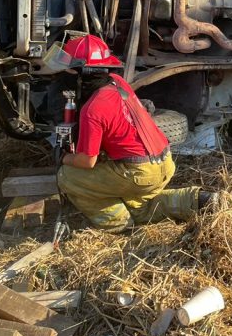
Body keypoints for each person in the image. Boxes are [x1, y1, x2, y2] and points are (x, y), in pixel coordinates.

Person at [52, 34, 215, 232]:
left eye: (69, 69)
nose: (65, 73)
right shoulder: (117, 82)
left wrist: (63, 158)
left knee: (67, 176)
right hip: (165, 163)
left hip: (140, 173)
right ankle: (198, 200)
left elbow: (87, 161)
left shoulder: (92, 109)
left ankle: (118, 224)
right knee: (140, 208)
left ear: (81, 73)